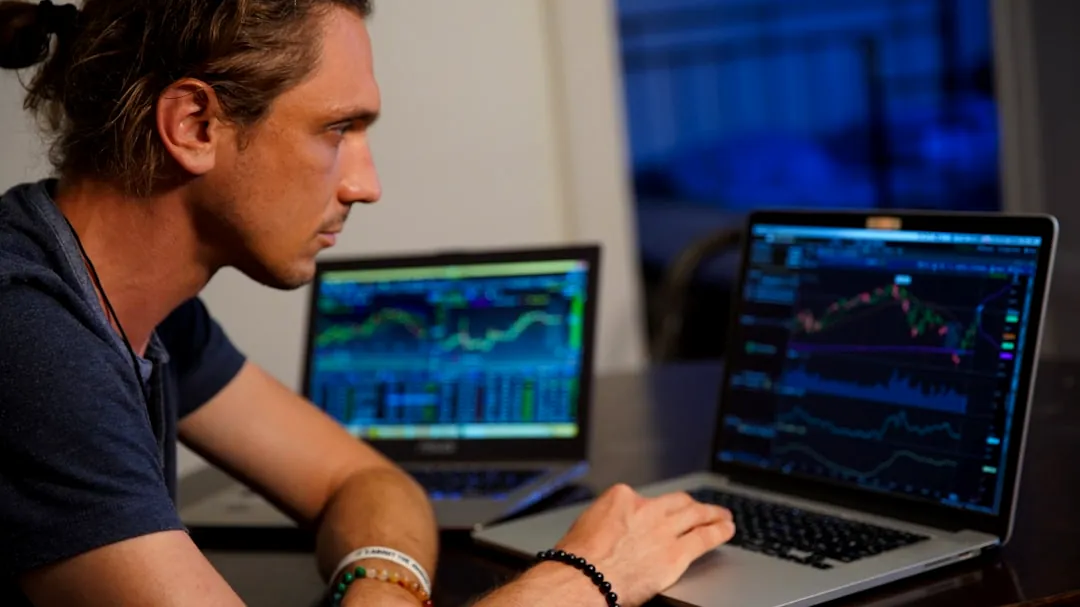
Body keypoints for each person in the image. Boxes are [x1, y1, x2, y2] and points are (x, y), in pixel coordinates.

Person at [0, 1, 736, 606]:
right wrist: (582, 581)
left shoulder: (148, 310)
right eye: (338, 129)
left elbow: (364, 479)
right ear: (195, 124)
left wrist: (379, 585)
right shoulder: (29, 334)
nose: (365, 184)